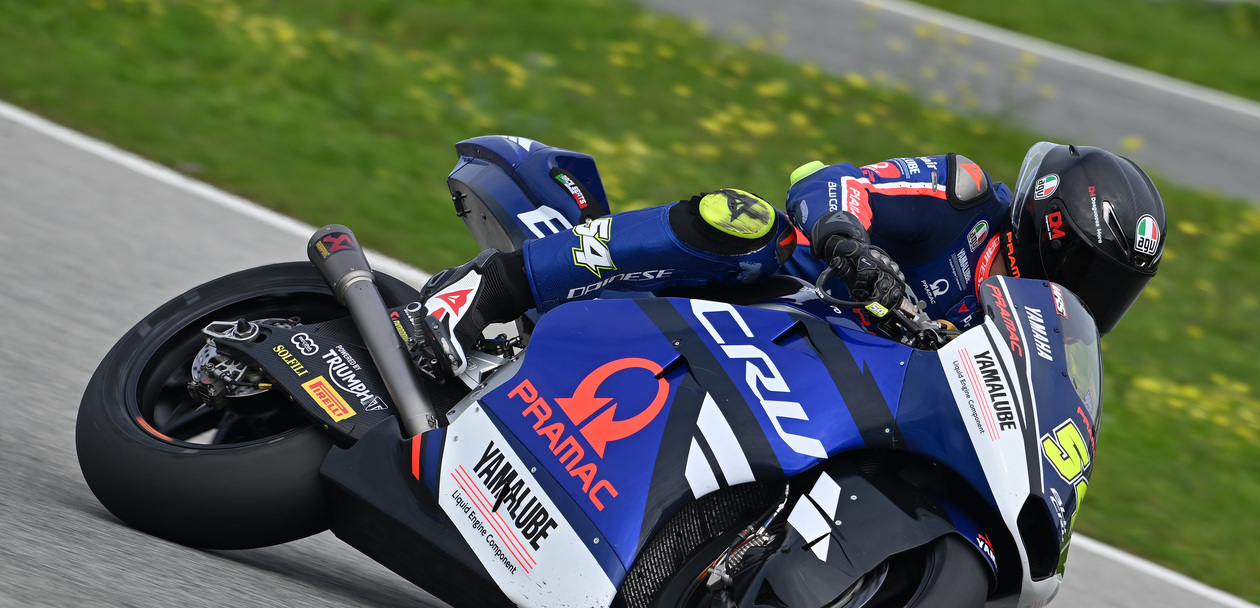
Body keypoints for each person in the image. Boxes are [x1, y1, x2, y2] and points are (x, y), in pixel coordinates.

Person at [417, 141, 1165, 375]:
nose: (1093, 297)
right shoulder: (962, 197)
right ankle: (495, 286)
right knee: (741, 220)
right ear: (1046, 224)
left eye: (1114, 288)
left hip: (843, 389)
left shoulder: (1042, 340)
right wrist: (847, 240)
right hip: (789, 297)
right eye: (1089, 271)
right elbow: (831, 182)